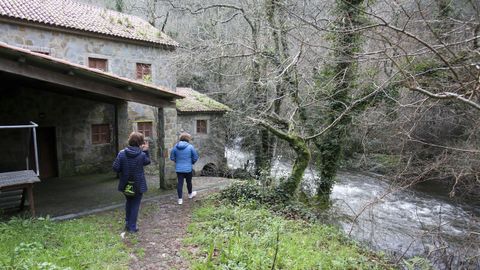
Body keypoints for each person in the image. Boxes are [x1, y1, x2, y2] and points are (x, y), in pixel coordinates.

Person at [113, 132, 150, 233]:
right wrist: (146, 150)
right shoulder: (142, 155)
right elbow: (147, 162)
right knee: (135, 205)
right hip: (138, 184)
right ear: (140, 142)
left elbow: (115, 167)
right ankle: (132, 227)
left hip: (125, 183)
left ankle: (128, 222)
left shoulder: (121, 153)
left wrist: (123, 171)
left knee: (129, 202)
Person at [170, 132, 199, 205]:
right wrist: (191, 162)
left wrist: (178, 162)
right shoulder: (190, 147)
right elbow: (195, 157)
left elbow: (172, 157)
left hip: (179, 169)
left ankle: (180, 199)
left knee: (180, 183)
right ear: (188, 139)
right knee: (189, 182)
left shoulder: (175, 146)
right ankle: (190, 194)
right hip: (188, 168)